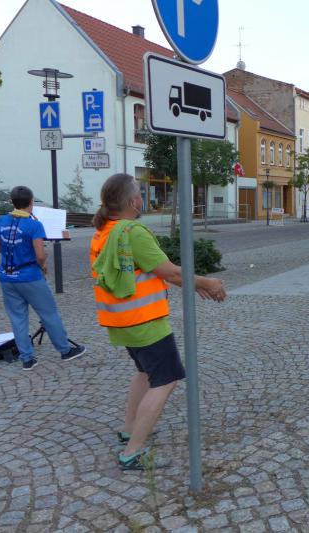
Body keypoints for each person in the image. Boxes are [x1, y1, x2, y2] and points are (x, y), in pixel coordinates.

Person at [90, 173, 226, 470]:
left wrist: (197, 285)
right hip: (145, 321)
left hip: (122, 320)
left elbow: (156, 273)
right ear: (133, 202)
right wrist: (208, 283)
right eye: (139, 193)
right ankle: (133, 452)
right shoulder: (133, 232)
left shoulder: (105, 231)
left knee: (144, 372)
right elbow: (171, 272)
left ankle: (129, 430)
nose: (141, 197)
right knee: (166, 380)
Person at [0, 186, 86, 370]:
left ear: (12, 202)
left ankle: (27, 359)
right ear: (31, 202)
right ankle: (65, 350)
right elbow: (40, 256)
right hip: (30, 277)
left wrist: (13, 245)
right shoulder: (34, 225)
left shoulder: (0, 221)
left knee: (18, 318)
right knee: (49, 314)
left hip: (7, 277)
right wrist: (42, 261)